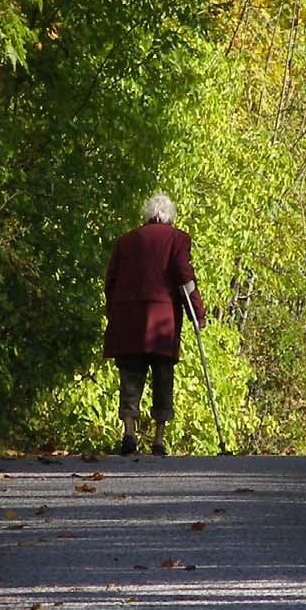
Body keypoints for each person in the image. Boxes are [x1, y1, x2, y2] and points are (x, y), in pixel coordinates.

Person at [104, 192, 206, 456]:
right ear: (169, 216)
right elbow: (185, 278)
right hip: (163, 321)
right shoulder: (177, 239)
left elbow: (110, 280)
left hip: (129, 320)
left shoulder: (126, 241)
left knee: (130, 376)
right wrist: (197, 311)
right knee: (163, 378)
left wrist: (112, 312)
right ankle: (158, 440)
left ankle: (129, 432)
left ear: (147, 216)